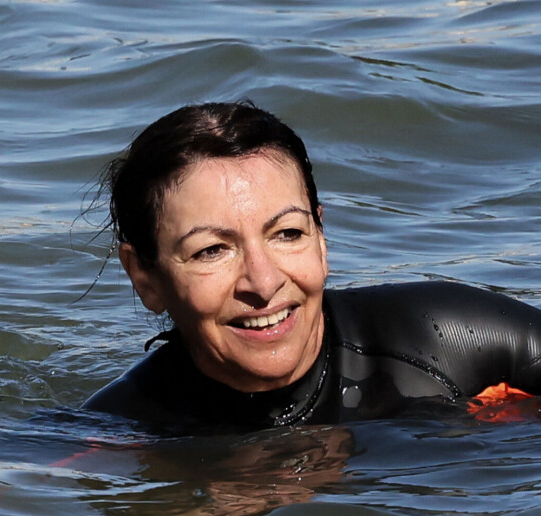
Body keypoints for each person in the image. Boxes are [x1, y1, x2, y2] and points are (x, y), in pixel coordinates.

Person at [82, 101, 541, 434]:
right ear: (144, 278)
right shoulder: (116, 431)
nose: (264, 282)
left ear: (321, 239)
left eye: (288, 234)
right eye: (212, 251)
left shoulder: (453, 344)